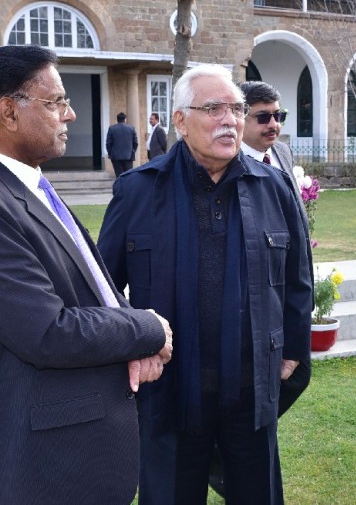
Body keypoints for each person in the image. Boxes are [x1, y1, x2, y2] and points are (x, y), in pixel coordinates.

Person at [97, 63, 313, 504]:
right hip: (169, 394)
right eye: (214, 108)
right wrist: (132, 344)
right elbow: (103, 288)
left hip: (250, 395)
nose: (229, 120)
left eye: (236, 109)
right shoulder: (138, 191)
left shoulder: (274, 187)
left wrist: (293, 349)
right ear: (180, 120)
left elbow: (298, 278)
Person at [0, 44, 173, 505]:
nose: (70, 114)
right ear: (8, 112)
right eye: (56, 101)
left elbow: (92, 287)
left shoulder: (31, 186)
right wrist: (147, 328)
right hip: (50, 467)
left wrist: (134, 341)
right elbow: (46, 330)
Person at [205, 80, 311, 495]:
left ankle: (225, 455)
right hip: (248, 307)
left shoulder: (281, 156)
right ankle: (221, 457)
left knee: (295, 378)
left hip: (284, 286)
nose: (274, 125)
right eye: (263, 117)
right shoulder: (222, 169)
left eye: (278, 116)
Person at [106, 111, 138, 176]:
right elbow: (135, 142)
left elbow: (108, 143)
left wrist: (110, 153)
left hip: (116, 156)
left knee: (119, 176)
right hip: (128, 156)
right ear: (125, 119)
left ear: (117, 119)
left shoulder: (112, 128)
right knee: (128, 176)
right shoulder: (131, 128)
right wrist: (132, 151)